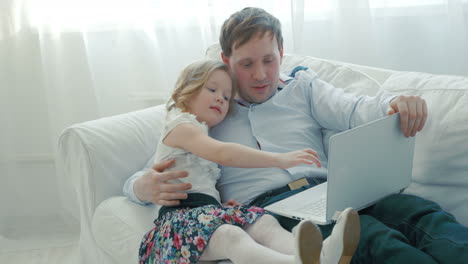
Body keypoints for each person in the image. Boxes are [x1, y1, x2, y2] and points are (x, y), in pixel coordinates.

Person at [125, 7, 468, 264]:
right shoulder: (210, 108)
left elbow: (353, 109)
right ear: (226, 59)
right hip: (275, 209)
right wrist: (142, 187)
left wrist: (396, 102)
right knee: (376, 240)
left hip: (337, 189)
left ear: (282, 54)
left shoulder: (303, 87)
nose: (260, 75)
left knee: (421, 214)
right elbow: (161, 160)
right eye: (246, 64)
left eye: (269, 61)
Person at [138, 59, 361, 264]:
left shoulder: (202, 133)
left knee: (263, 222)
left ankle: (322, 254)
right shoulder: (180, 124)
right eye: (212, 89)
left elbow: (201, 183)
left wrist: (220, 208)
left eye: (226, 97)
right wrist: (278, 160)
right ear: (187, 90)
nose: (220, 98)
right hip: (178, 223)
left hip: (204, 213)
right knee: (231, 236)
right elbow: (223, 153)